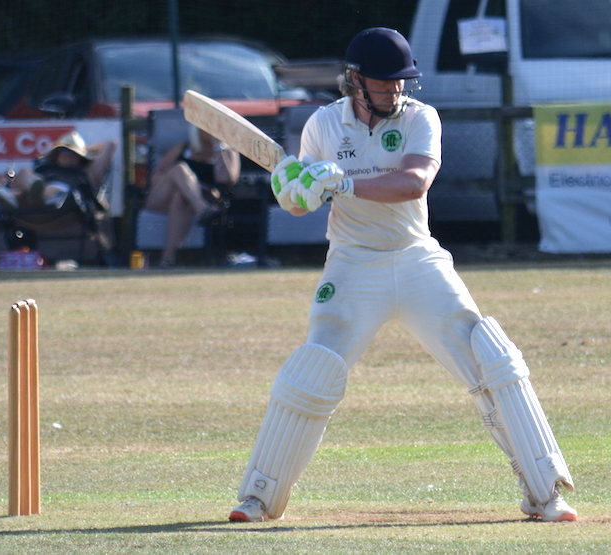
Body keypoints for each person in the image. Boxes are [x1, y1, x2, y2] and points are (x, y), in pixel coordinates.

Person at [229, 28, 577, 523]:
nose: (394, 91)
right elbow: (301, 198)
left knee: (488, 359)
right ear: (355, 80)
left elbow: (415, 181)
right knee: (314, 367)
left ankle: (546, 493)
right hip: (351, 262)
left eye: (400, 82)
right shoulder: (324, 124)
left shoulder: (420, 118)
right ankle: (259, 496)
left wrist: (345, 181)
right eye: (383, 82)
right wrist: (294, 192)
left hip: (416, 258)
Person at [143, 126, 240, 268]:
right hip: (162, 199)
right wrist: (186, 184)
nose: (210, 131)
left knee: (180, 198)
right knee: (180, 169)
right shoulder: (182, 148)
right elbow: (156, 178)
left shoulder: (229, 152)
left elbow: (227, 180)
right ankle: (203, 209)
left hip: (190, 202)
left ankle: (167, 259)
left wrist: (219, 147)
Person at [0, 131, 116, 214]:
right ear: (56, 156)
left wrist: (85, 149)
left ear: (80, 159)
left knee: (48, 188)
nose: (69, 155)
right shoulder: (46, 169)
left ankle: (19, 195)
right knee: (24, 174)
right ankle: (9, 196)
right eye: (64, 151)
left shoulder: (83, 173)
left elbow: (111, 144)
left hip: (63, 200)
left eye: (74, 154)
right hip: (34, 192)